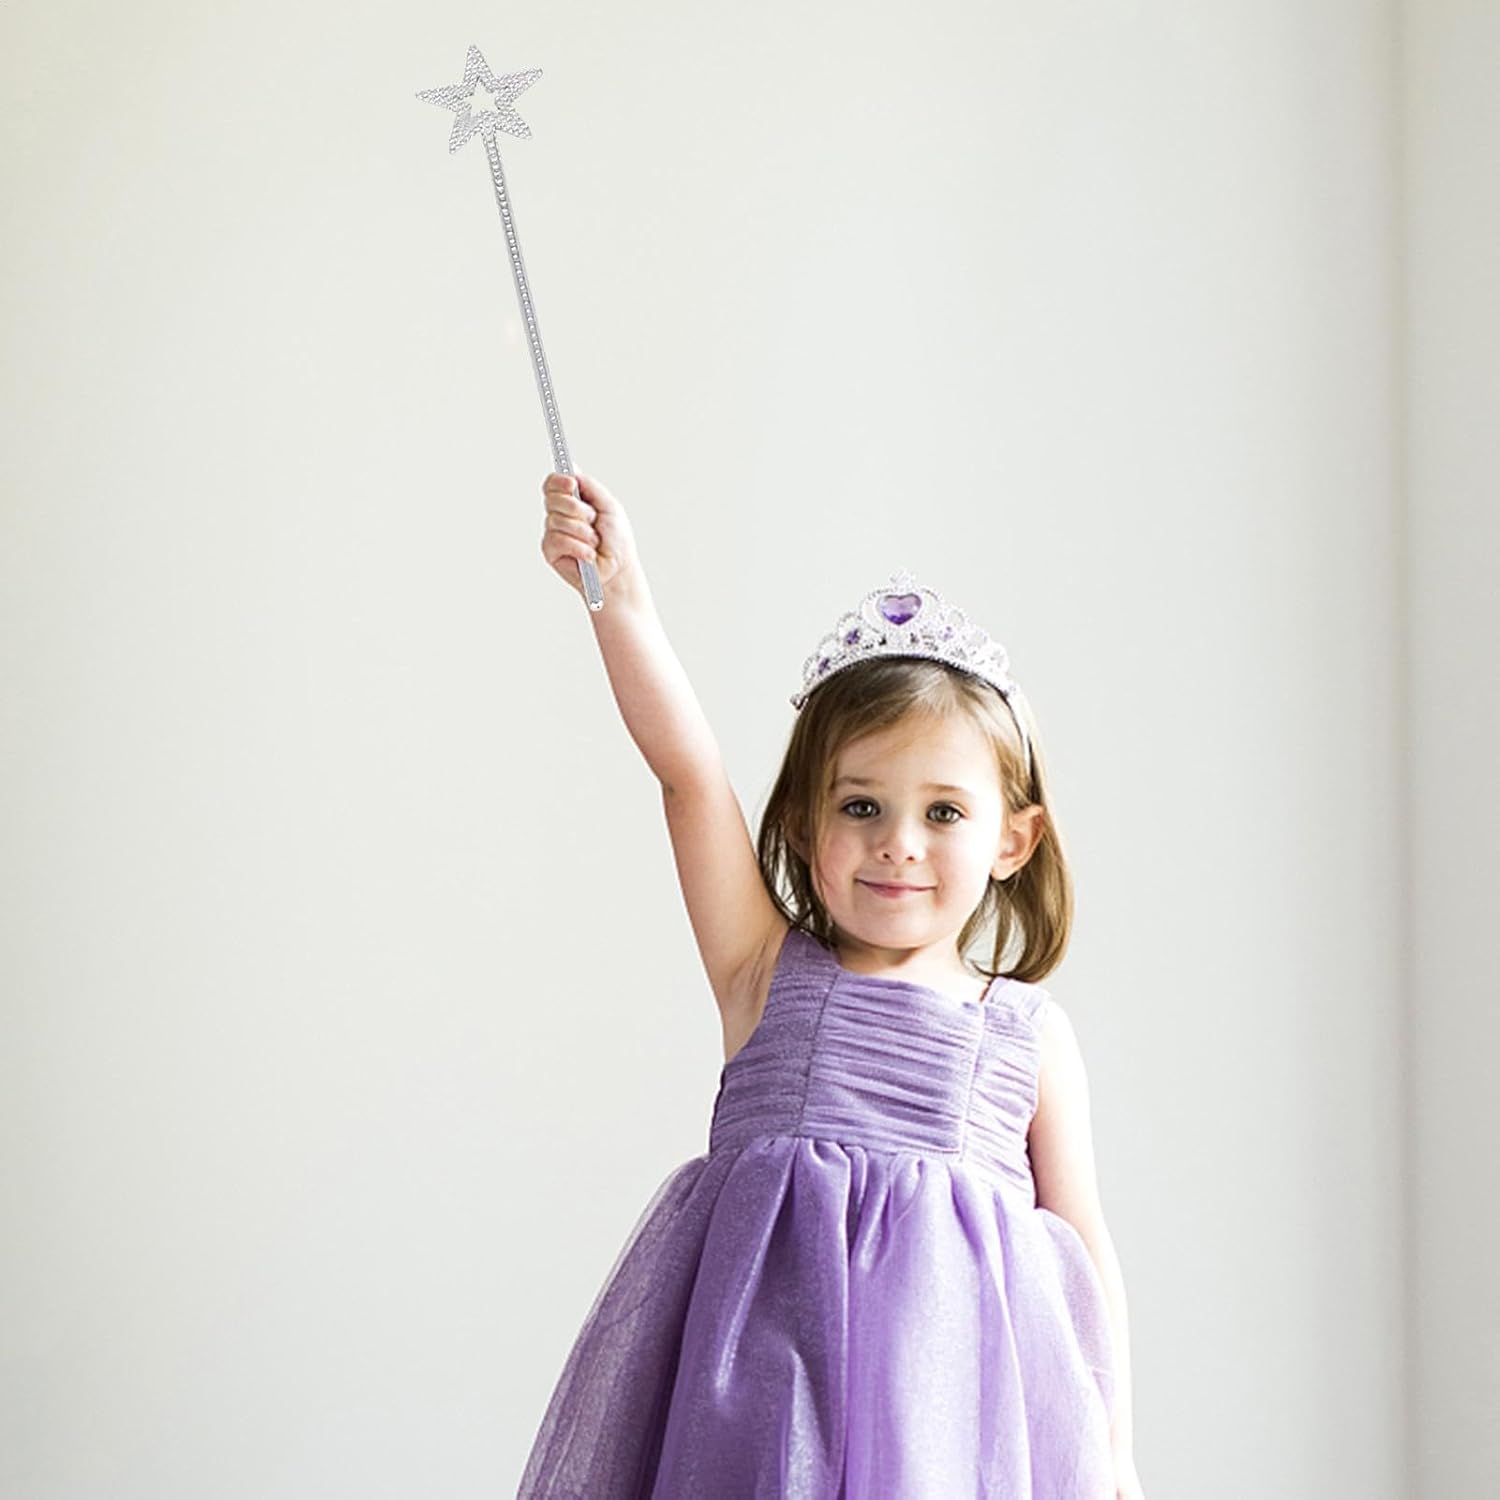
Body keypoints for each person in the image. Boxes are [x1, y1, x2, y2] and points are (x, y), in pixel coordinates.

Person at [517, 470, 1145, 1499]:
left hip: (944, 1438)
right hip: (761, 1422)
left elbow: (1081, 1252)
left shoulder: (1027, 1036)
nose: (898, 843)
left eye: (944, 812)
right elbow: (686, 775)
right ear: (806, 825)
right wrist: (619, 598)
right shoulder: (763, 972)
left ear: (1013, 839)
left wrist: (1112, 1453)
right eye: (861, 806)